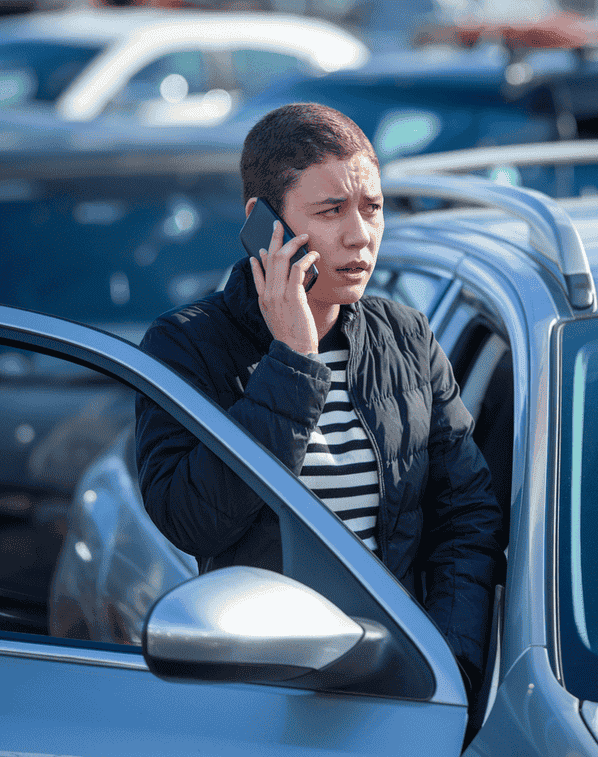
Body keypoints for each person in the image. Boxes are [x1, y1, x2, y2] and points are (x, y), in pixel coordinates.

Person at [135, 102, 505, 701]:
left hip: (401, 687)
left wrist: (449, 664)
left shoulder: (405, 336)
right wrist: (294, 361)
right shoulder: (186, 345)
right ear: (263, 224)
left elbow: (466, 515)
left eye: (372, 208)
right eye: (332, 211)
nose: (360, 235)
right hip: (260, 690)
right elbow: (191, 519)